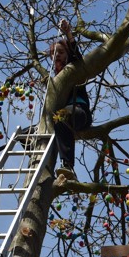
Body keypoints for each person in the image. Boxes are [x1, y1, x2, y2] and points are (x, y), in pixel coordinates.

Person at [48, 19, 92, 182]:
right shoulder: (53, 81)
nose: (56, 55)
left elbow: (76, 56)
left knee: (61, 118)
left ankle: (67, 166)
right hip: (59, 116)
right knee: (26, 134)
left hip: (78, 111)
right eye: (53, 53)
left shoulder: (73, 68)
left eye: (60, 52)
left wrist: (68, 34)